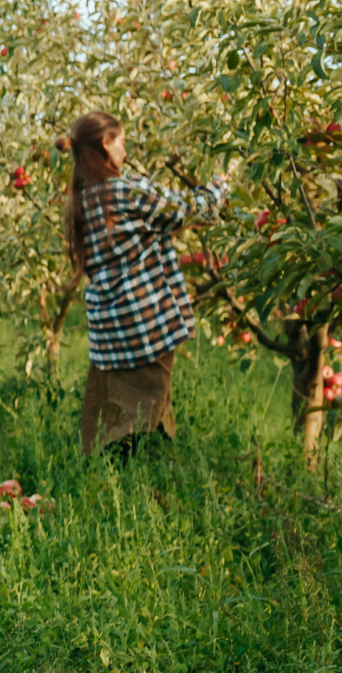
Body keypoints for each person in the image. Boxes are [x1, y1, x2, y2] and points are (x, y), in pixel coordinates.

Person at [62, 112, 227, 457]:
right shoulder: (126, 190)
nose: (125, 149)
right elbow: (194, 210)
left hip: (110, 330)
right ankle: (140, 484)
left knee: (113, 413)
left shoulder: (81, 197)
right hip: (144, 324)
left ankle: (113, 476)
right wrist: (221, 182)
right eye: (121, 141)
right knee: (143, 415)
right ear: (106, 144)